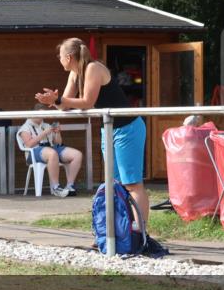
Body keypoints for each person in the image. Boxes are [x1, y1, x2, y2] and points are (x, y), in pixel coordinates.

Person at [36, 37, 149, 231]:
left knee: (132, 183)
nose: (59, 59)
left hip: (127, 128)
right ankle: (117, 230)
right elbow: (65, 106)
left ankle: (140, 230)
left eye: (60, 56)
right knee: (114, 184)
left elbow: (87, 101)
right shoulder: (74, 73)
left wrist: (60, 99)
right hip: (109, 128)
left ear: (69, 56)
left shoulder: (93, 68)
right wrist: (54, 101)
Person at [17, 104, 84, 197]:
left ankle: (70, 186)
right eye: (40, 114)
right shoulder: (25, 127)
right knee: (52, 154)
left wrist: (57, 132)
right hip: (34, 152)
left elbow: (58, 143)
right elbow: (29, 144)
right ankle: (56, 187)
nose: (42, 117)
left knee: (77, 154)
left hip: (51, 148)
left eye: (44, 114)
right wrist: (44, 133)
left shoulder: (46, 125)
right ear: (33, 113)